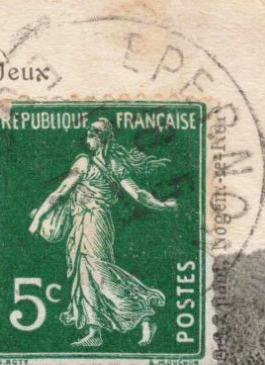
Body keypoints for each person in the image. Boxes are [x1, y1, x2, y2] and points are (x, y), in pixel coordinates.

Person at [28, 116, 177, 348]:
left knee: (97, 273)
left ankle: (143, 313)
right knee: (85, 275)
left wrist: (37, 219)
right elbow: (138, 194)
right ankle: (94, 330)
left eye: (91, 135)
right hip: (86, 223)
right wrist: (162, 205)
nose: (87, 139)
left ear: (101, 139)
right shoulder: (112, 165)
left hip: (94, 223)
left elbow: (60, 192)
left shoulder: (87, 164)